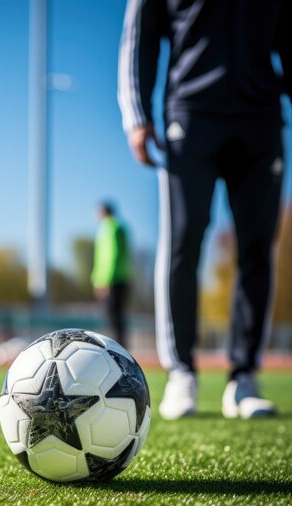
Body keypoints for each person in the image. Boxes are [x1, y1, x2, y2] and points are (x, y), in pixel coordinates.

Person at [118, 0, 290, 419]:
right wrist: (136, 114)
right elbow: (138, 39)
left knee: (257, 248)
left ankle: (243, 378)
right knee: (183, 242)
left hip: (260, 118)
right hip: (191, 116)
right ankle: (182, 373)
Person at [91, 202, 132, 348]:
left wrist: (103, 280)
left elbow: (110, 255)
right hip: (124, 277)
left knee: (113, 317)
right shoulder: (121, 226)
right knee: (119, 317)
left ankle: (116, 349)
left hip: (112, 279)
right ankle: (121, 348)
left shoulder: (108, 227)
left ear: (103, 212)